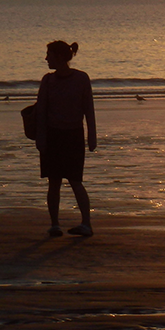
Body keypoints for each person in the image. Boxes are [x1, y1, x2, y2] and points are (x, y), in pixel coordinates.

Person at [36, 40, 97, 237]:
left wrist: (92, 135)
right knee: (53, 182)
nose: (46, 58)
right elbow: (41, 112)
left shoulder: (81, 78)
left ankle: (86, 223)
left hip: (73, 135)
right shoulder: (47, 80)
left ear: (60, 57)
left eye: (49, 55)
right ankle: (55, 224)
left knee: (75, 180)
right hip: (53, 135)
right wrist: (41, 138)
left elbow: (89, 109)